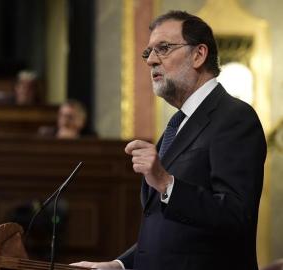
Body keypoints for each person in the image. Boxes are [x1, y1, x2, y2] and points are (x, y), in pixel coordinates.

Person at [72, 10, 266, 270]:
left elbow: (236, 215)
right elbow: (173, 232)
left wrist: (165, 182)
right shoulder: (177, 125)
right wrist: (119, 265)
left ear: (199, 54)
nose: (151, 60)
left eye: (163, 48)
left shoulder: (234, 118)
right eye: (148, 52)